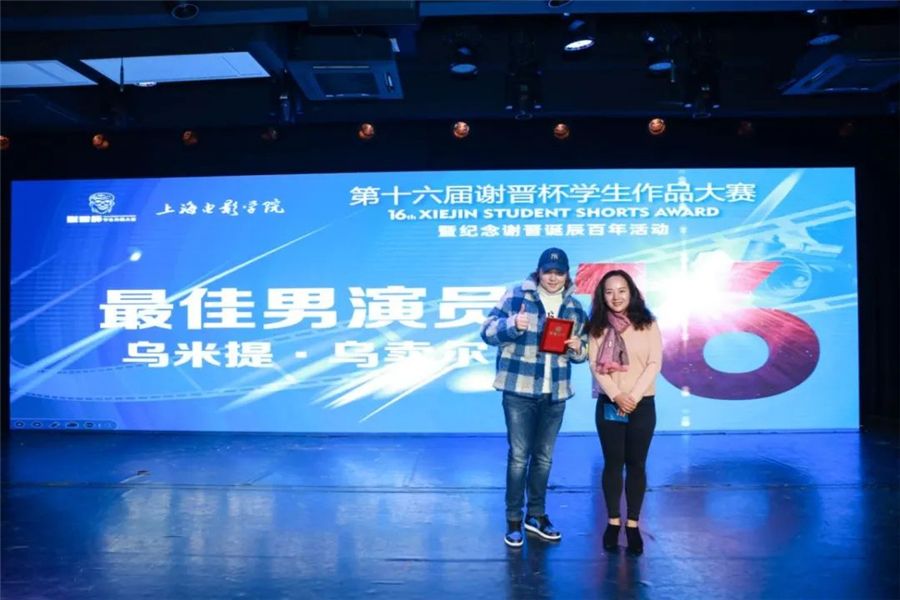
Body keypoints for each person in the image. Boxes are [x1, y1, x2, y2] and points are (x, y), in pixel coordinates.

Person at [481, 247, 589, 548]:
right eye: (548, 272)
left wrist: (577, 348)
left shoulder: (575, 307)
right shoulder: (516, 296)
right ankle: (513, 520)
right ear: (538, 272)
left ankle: (536, 516)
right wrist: (511, 325)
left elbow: (583, 352)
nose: (553, 278)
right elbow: (487, 332)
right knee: (519, 458)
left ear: (566, 275)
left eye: (559, 272)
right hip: (519, 390)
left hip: (555, 393)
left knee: (543, 458)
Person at [586, 269, 662, 556]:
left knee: (637, 464)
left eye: (621, 291)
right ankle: (613, 522)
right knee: (613, 463)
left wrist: (633, 397)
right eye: (609, 292)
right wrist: (617, 395)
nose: (615, 297)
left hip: (642, 403)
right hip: (610, 402)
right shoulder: (597, 326)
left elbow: (654, 363)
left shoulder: (648, 323)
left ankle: (632, 524)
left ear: (631, 293)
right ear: (602, 296)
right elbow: (595, 365)